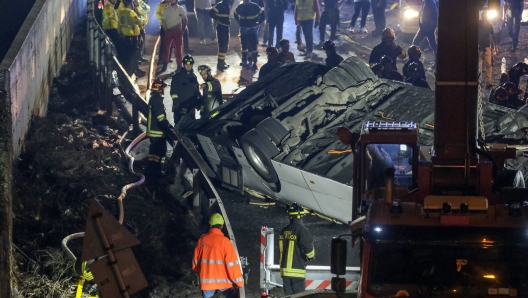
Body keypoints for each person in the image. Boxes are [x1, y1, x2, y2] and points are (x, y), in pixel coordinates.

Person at [192, 213, 245, 298]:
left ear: (210, 225)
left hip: (207, 282)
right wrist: (240, 282)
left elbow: (195, 264)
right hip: (224, 282)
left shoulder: (202, 239)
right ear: (222, 226)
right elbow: (232, 265)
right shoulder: (225, 242)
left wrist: (203, 273)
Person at [146, 79, 177, 191]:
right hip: (158, 133)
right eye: (163, 88)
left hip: (154, 133)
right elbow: (160, 118)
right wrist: (169, 127)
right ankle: (158, 172)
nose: (164, 90)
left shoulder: (153, 98)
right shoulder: (157, 100)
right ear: (159, 89)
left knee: (153, 154)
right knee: (160, 153)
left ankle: (151, 171)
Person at [279, 203, 315, 295]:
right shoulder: (301, 230)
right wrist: (311, 256)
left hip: (285, 272)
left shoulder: (284, 230)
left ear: (290, 216)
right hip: (297, 272)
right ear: (300, 216)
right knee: (298, 296)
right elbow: (308, 246)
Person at [170, 55, 201, 126]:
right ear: (183, 64)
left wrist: (198, 102)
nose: (188, 66)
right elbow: (173, 92)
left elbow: (196, 91)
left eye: (190, 65)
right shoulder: (177, 77)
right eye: (186, 64)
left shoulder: (194, 77)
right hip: (180, 108)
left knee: (191, 126)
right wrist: (177, 105)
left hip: (191, 108)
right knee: (179, 126)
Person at [234, 0, 266, 70]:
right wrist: (258, 23)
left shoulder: (243, 6)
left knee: (251, 46)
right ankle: (249, 61)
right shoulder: (253, 6)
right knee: (247, 46)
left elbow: (263, 14)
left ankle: (251, 61)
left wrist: (258, 23)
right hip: (248, 29)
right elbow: (263, 14)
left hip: (249, 29)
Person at [118, 0, 145, 77]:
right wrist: (141, 16)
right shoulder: (131, 13)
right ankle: (132, 72)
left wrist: (120, 33)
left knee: (127, 56)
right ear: (130, 4)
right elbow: (140, 22)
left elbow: (119, 25)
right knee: (133, 56)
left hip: (124, 37)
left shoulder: (121, 13)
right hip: (132, 37)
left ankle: (130, 72)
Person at [160, 0, 188, 72]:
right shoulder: (167, 9)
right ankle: (165, 64)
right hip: (169, 31)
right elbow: (164, 21)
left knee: (178, 49)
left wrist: (183, 29)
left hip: (178, 31)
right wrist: (166, 30)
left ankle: (179, 65)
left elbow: (185, 19)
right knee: (166, 48)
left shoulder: (180, 9)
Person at [412, 0, 438, 65]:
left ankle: (437, 61)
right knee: (416, 42)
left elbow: (434, 15)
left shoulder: (430, 2)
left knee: (432, 45)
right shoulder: (426, 2)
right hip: (424, 27)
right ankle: (412, 58)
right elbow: (421, 13)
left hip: (428, 27)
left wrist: (432, 27)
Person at [478, 10, 498, 89]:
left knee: (487, 65)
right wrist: (495, 46)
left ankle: (487, 82)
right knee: (482, 66)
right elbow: (493, 36)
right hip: (481, 47)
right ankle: (481, 81)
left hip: (486, 47)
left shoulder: (488, 25)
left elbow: (493, 36)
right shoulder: (479, 25)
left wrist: (495, 46)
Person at [210, 0, 231, 71]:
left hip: (226, 27)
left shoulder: (227, 4)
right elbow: (211, 12)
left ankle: (222, 61)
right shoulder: (220, 5)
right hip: (222, 28)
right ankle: (220, 64)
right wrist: (217, 19)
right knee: (223, 45)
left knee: (225, 45)